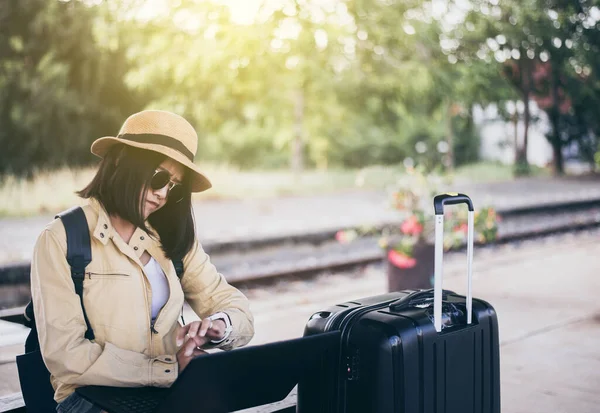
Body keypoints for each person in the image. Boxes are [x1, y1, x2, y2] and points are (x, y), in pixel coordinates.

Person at [30, 110, 255, 413]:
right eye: (159, 177)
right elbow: (65, 355)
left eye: (173, 186)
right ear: (122, 160)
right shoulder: (61, 239)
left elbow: (236, 309)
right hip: (93, 400)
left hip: (169, 392)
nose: (162, 194)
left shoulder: (172, 240)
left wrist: (220, 325)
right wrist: (168, 368)